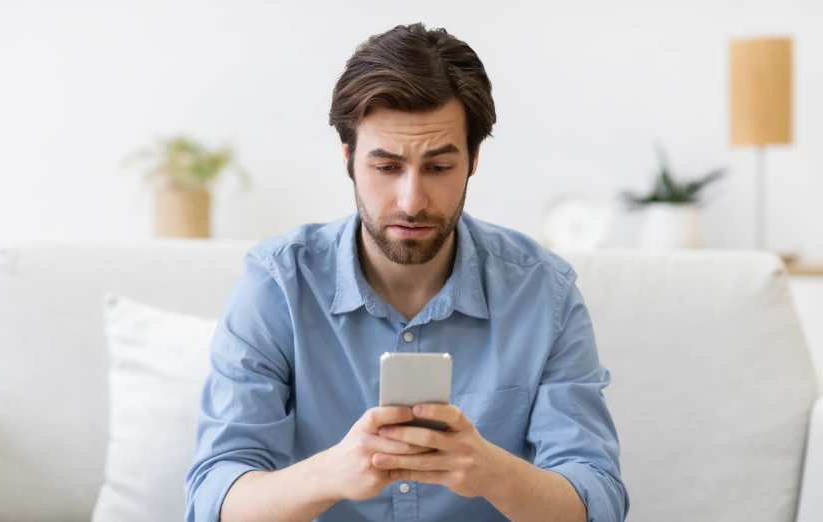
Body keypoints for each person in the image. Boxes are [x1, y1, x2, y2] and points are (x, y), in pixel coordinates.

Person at [185, 22, 629, 522]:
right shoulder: (278, 284)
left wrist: (490, 471)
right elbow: (213, 501)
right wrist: (331, 473)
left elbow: (600, 502)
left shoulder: (543, 291)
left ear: (474, 161)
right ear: (349, 160)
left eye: (438, 168)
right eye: (386, 167)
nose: (412, 201)